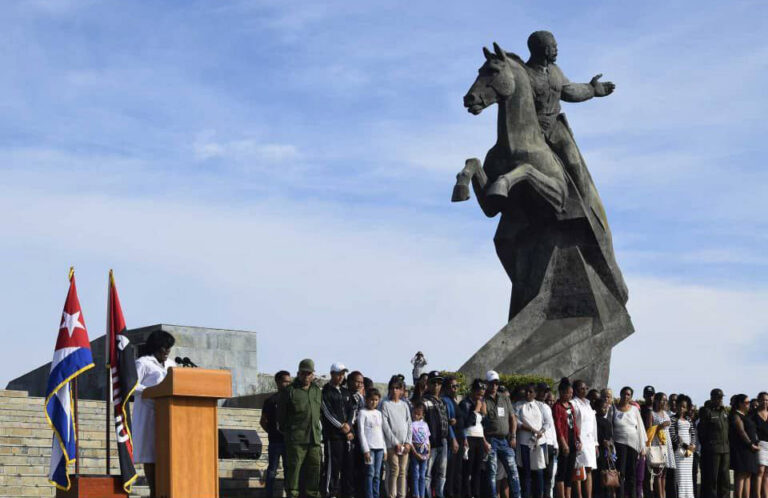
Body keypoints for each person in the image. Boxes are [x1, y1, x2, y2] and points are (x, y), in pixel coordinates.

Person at [133, 330, 177, 497]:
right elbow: (132, 387)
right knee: (151, 454)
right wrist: (153, 391)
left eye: (169, 348)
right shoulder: (143, 363)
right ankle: (154, 491)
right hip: (149, 413)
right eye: (164, 348)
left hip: (169, 414)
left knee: (166, 452)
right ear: (156, 347)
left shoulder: (172, 365)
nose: (166, 352)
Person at [278, 359, 323, 498]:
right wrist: (291, 433)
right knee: (294, 472)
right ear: (298, 373)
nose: (306, 376)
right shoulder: (290, 391)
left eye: (309, 373)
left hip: (314, 439)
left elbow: (319, 412)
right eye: (303, 373)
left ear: (313, 374)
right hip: (296, 440)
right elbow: (281, 417)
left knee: (314, 471)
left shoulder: (316, 391)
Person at [484, 370, 522, 498]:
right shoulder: (483, 400)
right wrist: (484, 441)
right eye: (492, 383)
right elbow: (479, 422)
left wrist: (513, 435)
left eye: (496, 383)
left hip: (505, 440)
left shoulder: (505, 398)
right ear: (486, 383)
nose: (494, 386)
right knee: (492, 473)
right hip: (491, 440)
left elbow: (513, 418)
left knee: (513, 471)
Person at [321, 363, 355, 498]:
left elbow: (352, 410)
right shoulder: (326, 391)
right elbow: (327, 412)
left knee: (347, 467)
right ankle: (330, 493)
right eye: (338, 374)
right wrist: (341, 426)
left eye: (343, 374)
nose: (341, 377)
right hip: (333, 436)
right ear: (332, 374)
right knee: (332, 467)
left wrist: (349, 426)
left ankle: (346, 493)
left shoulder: (346, 392)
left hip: (346, 436)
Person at [260, 370, 292, 498]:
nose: (288, 384)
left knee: (288, 470)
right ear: (278, 382)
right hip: (275, 442)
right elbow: (263, 421)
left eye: (289, 382)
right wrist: (272, 432)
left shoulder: (292, 399)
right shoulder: (270, 400)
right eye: (285, 381)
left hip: (288, 441)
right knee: (272, 470)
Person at [612, 386, 646, 498]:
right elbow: (610, 427)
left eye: (629, 395)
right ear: (620, 394)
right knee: (620, 473)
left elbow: (640, 428)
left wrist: (642, 447)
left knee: (632, 474)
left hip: (633, 444)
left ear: (631, 397)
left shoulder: (634, 409)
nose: (626, 396)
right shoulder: (613, 408)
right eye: (624, 394)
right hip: (619, 443)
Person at [381, 377, 412, 498]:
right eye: (392, 388)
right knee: (394, 470)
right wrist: (395, 442)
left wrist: (408, 442)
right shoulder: (385, 404)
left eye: (397, 388)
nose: (395, 390)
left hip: (404, 444)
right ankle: (391, 495)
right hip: (391, 444)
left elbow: (409, 424)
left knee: (403, 471)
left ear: (402, 390)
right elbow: (385, 425)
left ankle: (402, 495)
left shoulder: (404, 405)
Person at [460, 379, 489, 498]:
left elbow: (483, 426)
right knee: (468, 470)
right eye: (478, 391)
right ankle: (467, 494)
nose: (480, 394)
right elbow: (465, 423)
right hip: (469, 438)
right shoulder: (465, 403)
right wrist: (476, 410)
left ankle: (476, 494)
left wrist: (484, 413)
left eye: (482, 392)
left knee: (478, 470)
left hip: (479, 439)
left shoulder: (481, 403)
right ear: (473, 390)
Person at [698, 389, 730, 498]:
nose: (720, 400)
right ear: (712, 398)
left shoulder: (724, 412)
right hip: (713, 450)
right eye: (718, 397)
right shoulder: (707, 411)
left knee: (725, 479)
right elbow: (702, 432)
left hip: (725, 450)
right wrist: (709, 446)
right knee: (712, 479)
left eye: (721, 397)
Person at [422, 371, 450, 498]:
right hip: (430, 441)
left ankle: (439, 494)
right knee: (427, 473)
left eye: (439, 383)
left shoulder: (442, 401)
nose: (437, 385)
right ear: (428, 384)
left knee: (442, 472)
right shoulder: (424, 401)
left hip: (443, 440)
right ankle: (427, 495)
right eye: (434, 382)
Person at [516, 383, 546, 498]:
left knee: (538, 471)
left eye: (531, 392)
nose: (528, 394)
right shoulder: (518, 405)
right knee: (526, 473)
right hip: (524, 443)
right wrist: (532, 429)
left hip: (538, 442)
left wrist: (540, 432)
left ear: (535, 393)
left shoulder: (540, 405)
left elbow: (547, 422)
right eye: (526, 391)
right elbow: (517, 422)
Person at [553, 378, 580, 498]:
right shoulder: (557, 407)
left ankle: (568, 495)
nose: (570, 395)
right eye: (568, 393)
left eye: (571, 393)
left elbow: (574, 424)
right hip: (564, 441)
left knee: (570, 471)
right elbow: (558, 427)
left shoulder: (570, 406)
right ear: (562, 392)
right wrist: (563, 443)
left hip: (572, 440)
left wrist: (578, 439)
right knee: (562, 471)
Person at [358, 388, 386, 498]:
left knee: (377, 475)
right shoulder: (362, 413)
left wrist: (385, 449)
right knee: (370, 473)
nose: (373, 402)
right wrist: (365, 450)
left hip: (379, 448)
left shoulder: (378, 413)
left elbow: (381, 431)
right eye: (371, 399)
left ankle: (376, 495)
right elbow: (361, 432)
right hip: (369, 449)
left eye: (376, 400)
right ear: (366, 399)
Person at [729, 394, 759, 498]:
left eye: (748, 402)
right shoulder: (736, 415)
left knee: (748, 475)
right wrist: (751, 444)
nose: (748, 404)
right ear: (740, 404)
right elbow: (741, 432)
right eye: (746, 402)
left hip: (750, 450)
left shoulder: (745, 415)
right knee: (741, 475)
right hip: (742, 450)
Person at [571, 380, 597, 498]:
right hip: (579, 441)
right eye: (582, 388)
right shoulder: (573, 403)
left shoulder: (588, 404)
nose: (584, 390)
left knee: (589, 469)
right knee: (579, 469)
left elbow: (593, 425)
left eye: (586, 388)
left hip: (590, 442)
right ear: (575, 390)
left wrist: (596, 444)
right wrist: (576, 440)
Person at [441, 376, 465, 498]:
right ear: (446, 388)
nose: (455, 388)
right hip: (453, 440)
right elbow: (448, 421)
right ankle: (450, 494)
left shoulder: (454, 400)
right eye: (452, 386)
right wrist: (453, 439)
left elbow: (460, 422)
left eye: (457, 386)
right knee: (451, 470)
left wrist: (464, 438)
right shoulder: (445, 400)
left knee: (458, 470)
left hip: (460, 439)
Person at [649, 393, 676, 498]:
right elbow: (648, 430)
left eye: (665, 400)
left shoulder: (666, 413)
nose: (664, 402)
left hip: (666, 444)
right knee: (658, 473)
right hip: (657, 444)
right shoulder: (651, 413)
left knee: (664, 473)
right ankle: (659, 495)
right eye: (662, 400)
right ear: (656, 401)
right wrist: (660, 426)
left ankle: (663, 495)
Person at [669, 395, 696, 498]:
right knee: (680, 477)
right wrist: (685, 446)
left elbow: (693, 433)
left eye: (684, 406)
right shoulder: (672, 419)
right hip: (679, 451)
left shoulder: (689, 419)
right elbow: (673, 436)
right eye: (680, 406)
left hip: (689, 452)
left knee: (688, 477)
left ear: (687, 408)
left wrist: (692, 445)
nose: (681, 408)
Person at [536, 383, 558, 498]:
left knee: (549, 475)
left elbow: (552, 426)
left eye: (546, 392)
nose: (545, 394)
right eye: (543, 391)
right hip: (540, 443)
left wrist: (556, 444)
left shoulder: (547, 407)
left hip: (550, 444)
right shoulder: (534, 404)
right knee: (540, 474)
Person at [593, 398, 615, 498]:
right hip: (598, 450)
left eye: (606, 408)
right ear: (597, 408)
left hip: (607, 452)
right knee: (598, 475)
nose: (605, 410)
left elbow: (610, 436)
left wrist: (609, 443)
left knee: (607, 474)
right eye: (602, 408)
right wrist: (602, 441)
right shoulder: (594, 419)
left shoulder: (607, 422)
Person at [410, 402, 432, 498]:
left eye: (418, 414)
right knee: (416, 474)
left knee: (423, 475)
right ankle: (416, 494)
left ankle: (422, 495)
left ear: (422, 415)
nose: (416, 415)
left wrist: (429, 451)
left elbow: (427, 439)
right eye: (414, 413)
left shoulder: (425, 424)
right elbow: (409, 440)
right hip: (416, 449)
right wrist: (415, 452)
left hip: (425, 449)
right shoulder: (410, 424)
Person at [640, 386, 654, 498]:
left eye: (652, 394)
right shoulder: (641, 408)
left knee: (658, 474)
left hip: (656, 445)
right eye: (648, 394)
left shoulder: (657, 409)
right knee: (644, 474)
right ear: (644, 395)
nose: (650, 397)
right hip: (644, 445)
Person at [753, 392, 768, 498]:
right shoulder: (753, 414)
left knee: (767, 473)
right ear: (758, 400)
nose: (765, 402)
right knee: (760, 471)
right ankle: (757, 496)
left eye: (767, 400)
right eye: (763, 399)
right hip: (760, 444)